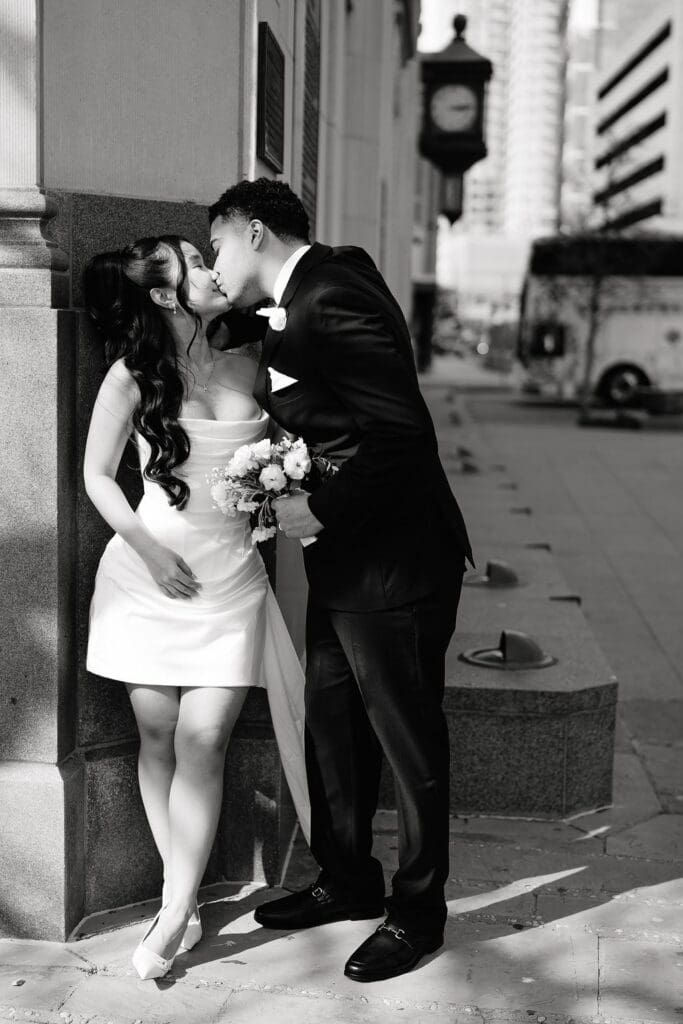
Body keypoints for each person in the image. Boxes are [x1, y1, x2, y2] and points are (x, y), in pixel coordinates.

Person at [209, 178, 473, 983]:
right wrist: (227, 313)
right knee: (332, 719)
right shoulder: (327, 274)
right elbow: (277, 325)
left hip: (393, 561)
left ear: (254, 232)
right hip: (348, 565)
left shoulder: (329, 297)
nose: (214, 264)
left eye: (216, 246)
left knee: (406, 738)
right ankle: (347, 880)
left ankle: (418, 912)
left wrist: (316, 507)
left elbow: (400, 434)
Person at [82, 235, 309, 981]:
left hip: (233, 576)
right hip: (147, 575)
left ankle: (175, 909)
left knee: (204, 738)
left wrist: (285, 483)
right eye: (193, 262)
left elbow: (294, 446)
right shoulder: (129, 376)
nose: (212, 269)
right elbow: (98, 478)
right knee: (158, 733)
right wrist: (148, 550)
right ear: (161, 294)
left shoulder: (252, 357)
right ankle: (181, 891)